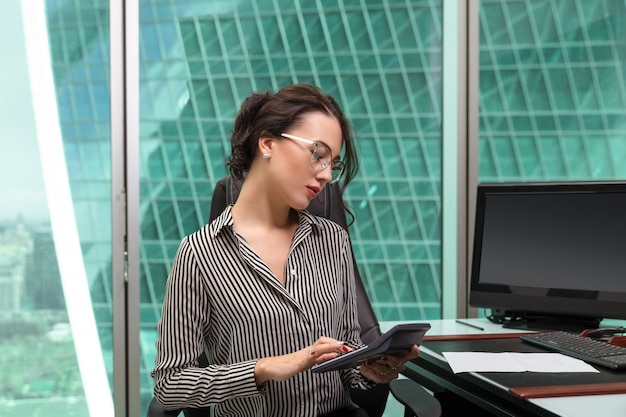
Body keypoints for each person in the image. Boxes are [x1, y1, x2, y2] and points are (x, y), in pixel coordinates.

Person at [151, 84, 419, 417]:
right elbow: (170, 385)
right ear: (268, 143)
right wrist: (262, 369)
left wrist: (372, 369)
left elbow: (348, 361)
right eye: (318, 154)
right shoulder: (199, 254)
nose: (325, 176)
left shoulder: (333, 241)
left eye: (332, 164)